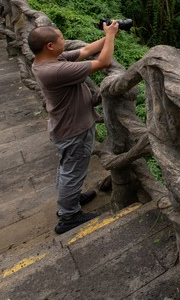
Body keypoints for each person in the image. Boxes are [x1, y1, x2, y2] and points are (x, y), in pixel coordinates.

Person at [27, 21, 119, 234]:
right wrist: (111, 37)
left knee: (67, 168)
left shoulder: (47, 61)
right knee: (71, 170)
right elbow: (104, 62)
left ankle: (71, 199)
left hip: (66, 126)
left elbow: (87, 50)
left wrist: (110, 33)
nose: (64, 41)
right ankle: (69, 215)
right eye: (61, 39)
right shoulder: (55, 70)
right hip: (74, 129)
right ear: (50, 46)